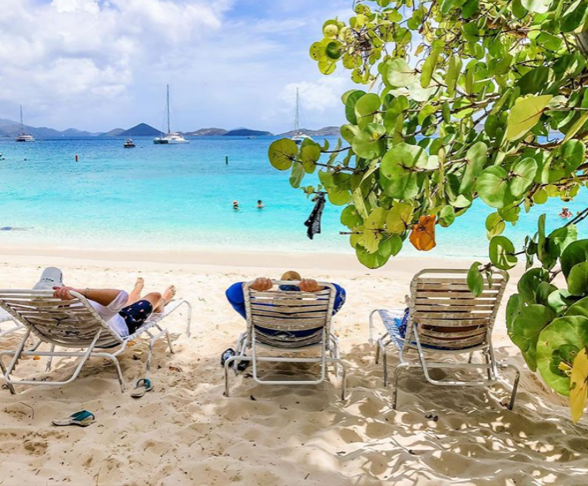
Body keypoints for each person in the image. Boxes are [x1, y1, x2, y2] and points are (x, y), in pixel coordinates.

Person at [49, 272, 176, 337]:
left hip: (108, 318)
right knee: (155, 296)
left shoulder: (41, 314)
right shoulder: (82, 304)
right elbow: (121, 296)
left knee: (121, 306)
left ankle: (137, 290)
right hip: (123, 325)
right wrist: (78, 292)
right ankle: (163, 301)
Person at [226, 270, 346, 321]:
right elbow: (340, 293)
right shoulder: (316, 315)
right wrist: (319, 288)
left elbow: (232, 293)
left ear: (276, 295)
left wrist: (251, 286)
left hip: (267, 336)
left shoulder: (259, 312)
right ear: (301, 296)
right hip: (306, 338)